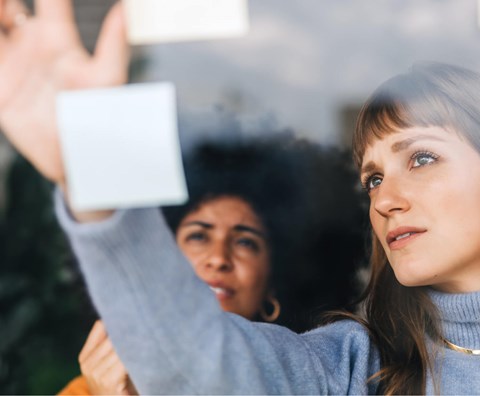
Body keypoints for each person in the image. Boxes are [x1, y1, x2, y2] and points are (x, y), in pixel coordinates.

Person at [0, 1, 480, 394]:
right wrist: (91, 184)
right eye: (374, 177)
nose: (386, 199)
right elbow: (196, 366)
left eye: (421, 157)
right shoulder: (349, 368)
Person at [58, 137, 367, 395]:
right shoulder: (86, 390)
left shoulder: (315, 381)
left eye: (245, 242)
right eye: (198, 236)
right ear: (159, 260)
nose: (219, 257)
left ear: (273, 286)